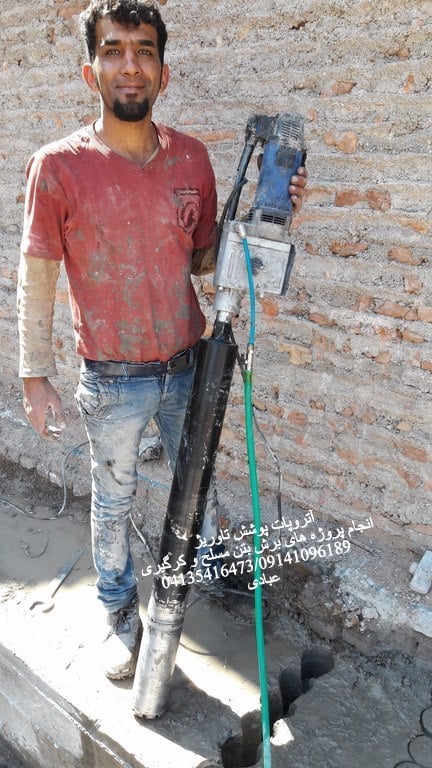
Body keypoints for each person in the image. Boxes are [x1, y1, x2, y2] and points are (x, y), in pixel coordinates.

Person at [17, 0, 307, 681]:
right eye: (113, 50)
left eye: (143, 51)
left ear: (163, 72)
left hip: (189, 362)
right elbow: (36, 275)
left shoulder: (192, 159)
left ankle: (205, 564)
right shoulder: (57, 167)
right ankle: (119, 611)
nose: (129, 64)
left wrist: (272, 217)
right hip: (111, 376)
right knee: (114, 500)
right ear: (91, 72)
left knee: (195, 477)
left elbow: (203, 259)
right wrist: (35, 374)